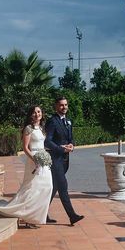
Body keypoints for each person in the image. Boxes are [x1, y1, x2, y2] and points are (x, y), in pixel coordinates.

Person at [44, 96, 84, 226]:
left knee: (54, 187)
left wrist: (72, 145)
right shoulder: (52, 121)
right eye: (61, 105)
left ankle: (41, 213)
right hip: (55, 160)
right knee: (63, 187)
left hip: (65, 160)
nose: (64, 107)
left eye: (66, 105)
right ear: (56, 106)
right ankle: (72, 216)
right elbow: (47, 141)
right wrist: (61, 149)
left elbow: (70, 138)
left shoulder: (68, 121)